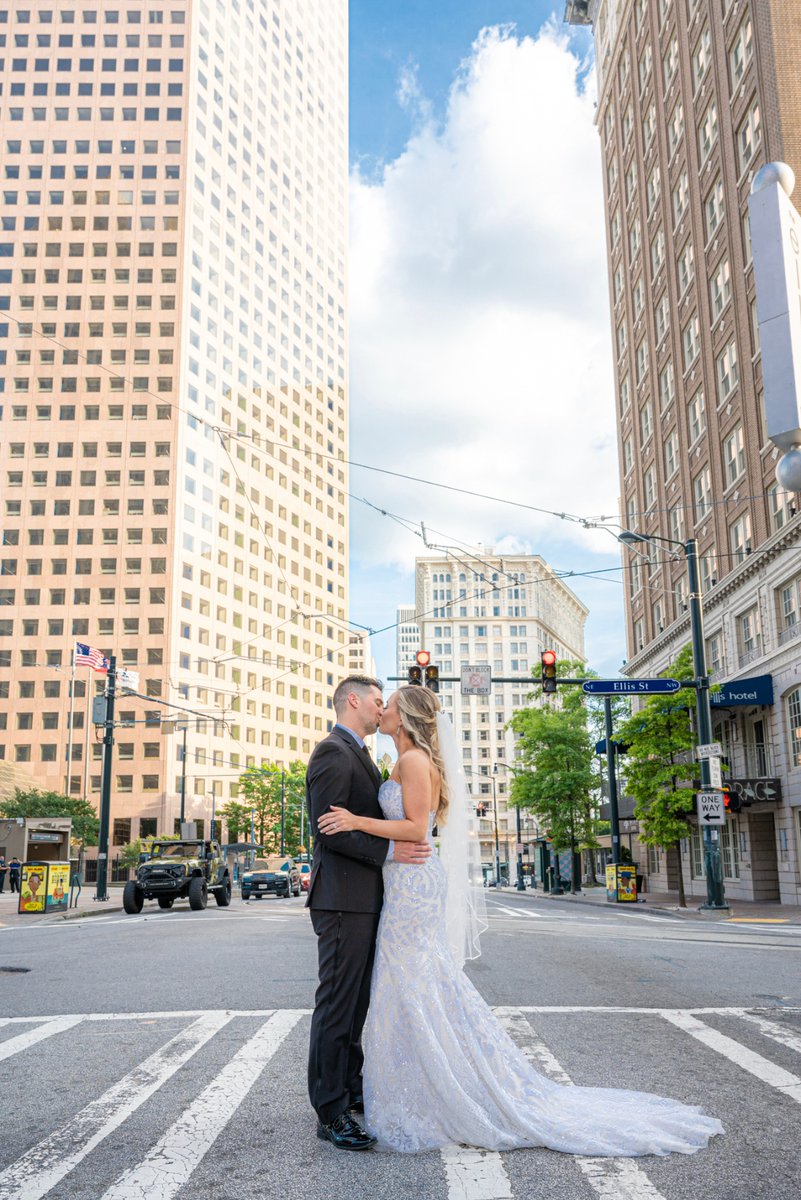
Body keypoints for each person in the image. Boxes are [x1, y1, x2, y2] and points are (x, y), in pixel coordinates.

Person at [318, 686, 724, 1158]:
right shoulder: (403, 761)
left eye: (387, 704)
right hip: (405, 882)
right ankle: (423, 1083)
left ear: (404, 717)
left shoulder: (412, 763)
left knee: (411, 981)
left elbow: (414, 828)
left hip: (412, 884)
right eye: (377, 702)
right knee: (411, 983)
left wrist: (356, 821)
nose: (381, 709)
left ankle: (440, 1085)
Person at [306, 675, 432, 1152]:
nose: (383, 709)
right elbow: (329, 831)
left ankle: (350, 1087)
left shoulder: (362, 752)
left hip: (367, 898)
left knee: (357, 1003)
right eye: (378, 701)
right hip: (341, 899)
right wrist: (391, 855)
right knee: (337, 1004)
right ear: (353, 701)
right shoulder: (332, 752)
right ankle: (330, 1112)